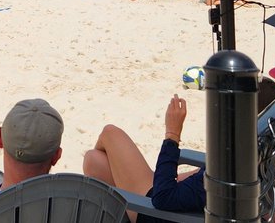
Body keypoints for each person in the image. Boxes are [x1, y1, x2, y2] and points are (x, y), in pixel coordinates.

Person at [83, 95, 204, 223]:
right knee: (94, 161)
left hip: (154, 211)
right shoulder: (224, 176)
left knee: (110, 133)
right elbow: (203, 182)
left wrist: (172, 134)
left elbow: (163, 198)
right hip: (181, 202)